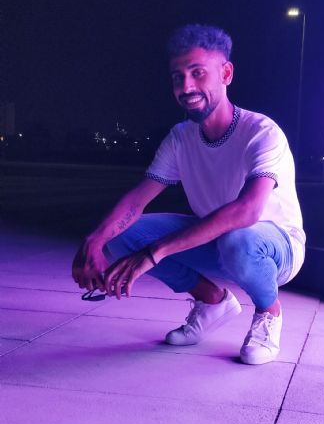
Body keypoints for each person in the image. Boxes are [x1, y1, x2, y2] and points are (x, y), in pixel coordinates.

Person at [72, 24, 305, 364]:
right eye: (177, 77)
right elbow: (138, 199)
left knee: (238, 239)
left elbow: (247, 211)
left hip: (275, 247)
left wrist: (155, 252)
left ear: (226, 74)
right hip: (217, 240)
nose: (186, 87)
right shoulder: (181, 137)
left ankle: (269, 312)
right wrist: (94, 241)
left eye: (198, 73)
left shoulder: (261, 132)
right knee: (123, 235)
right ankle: (212, 302)